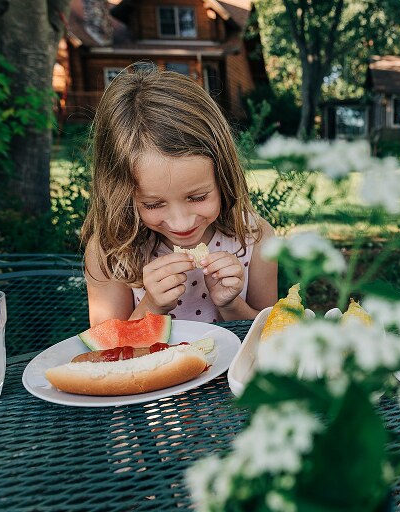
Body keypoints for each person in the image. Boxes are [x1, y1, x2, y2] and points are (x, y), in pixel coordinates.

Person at [81, 66, 278, 325]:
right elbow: (107, 351)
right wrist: (151, 306)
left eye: (197, 197)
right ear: (122, 195)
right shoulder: (109, 252)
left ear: (223, 179)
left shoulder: (254, 236)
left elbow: (270, 336)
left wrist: (231, 305)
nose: (181, 223)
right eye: (153, 204)